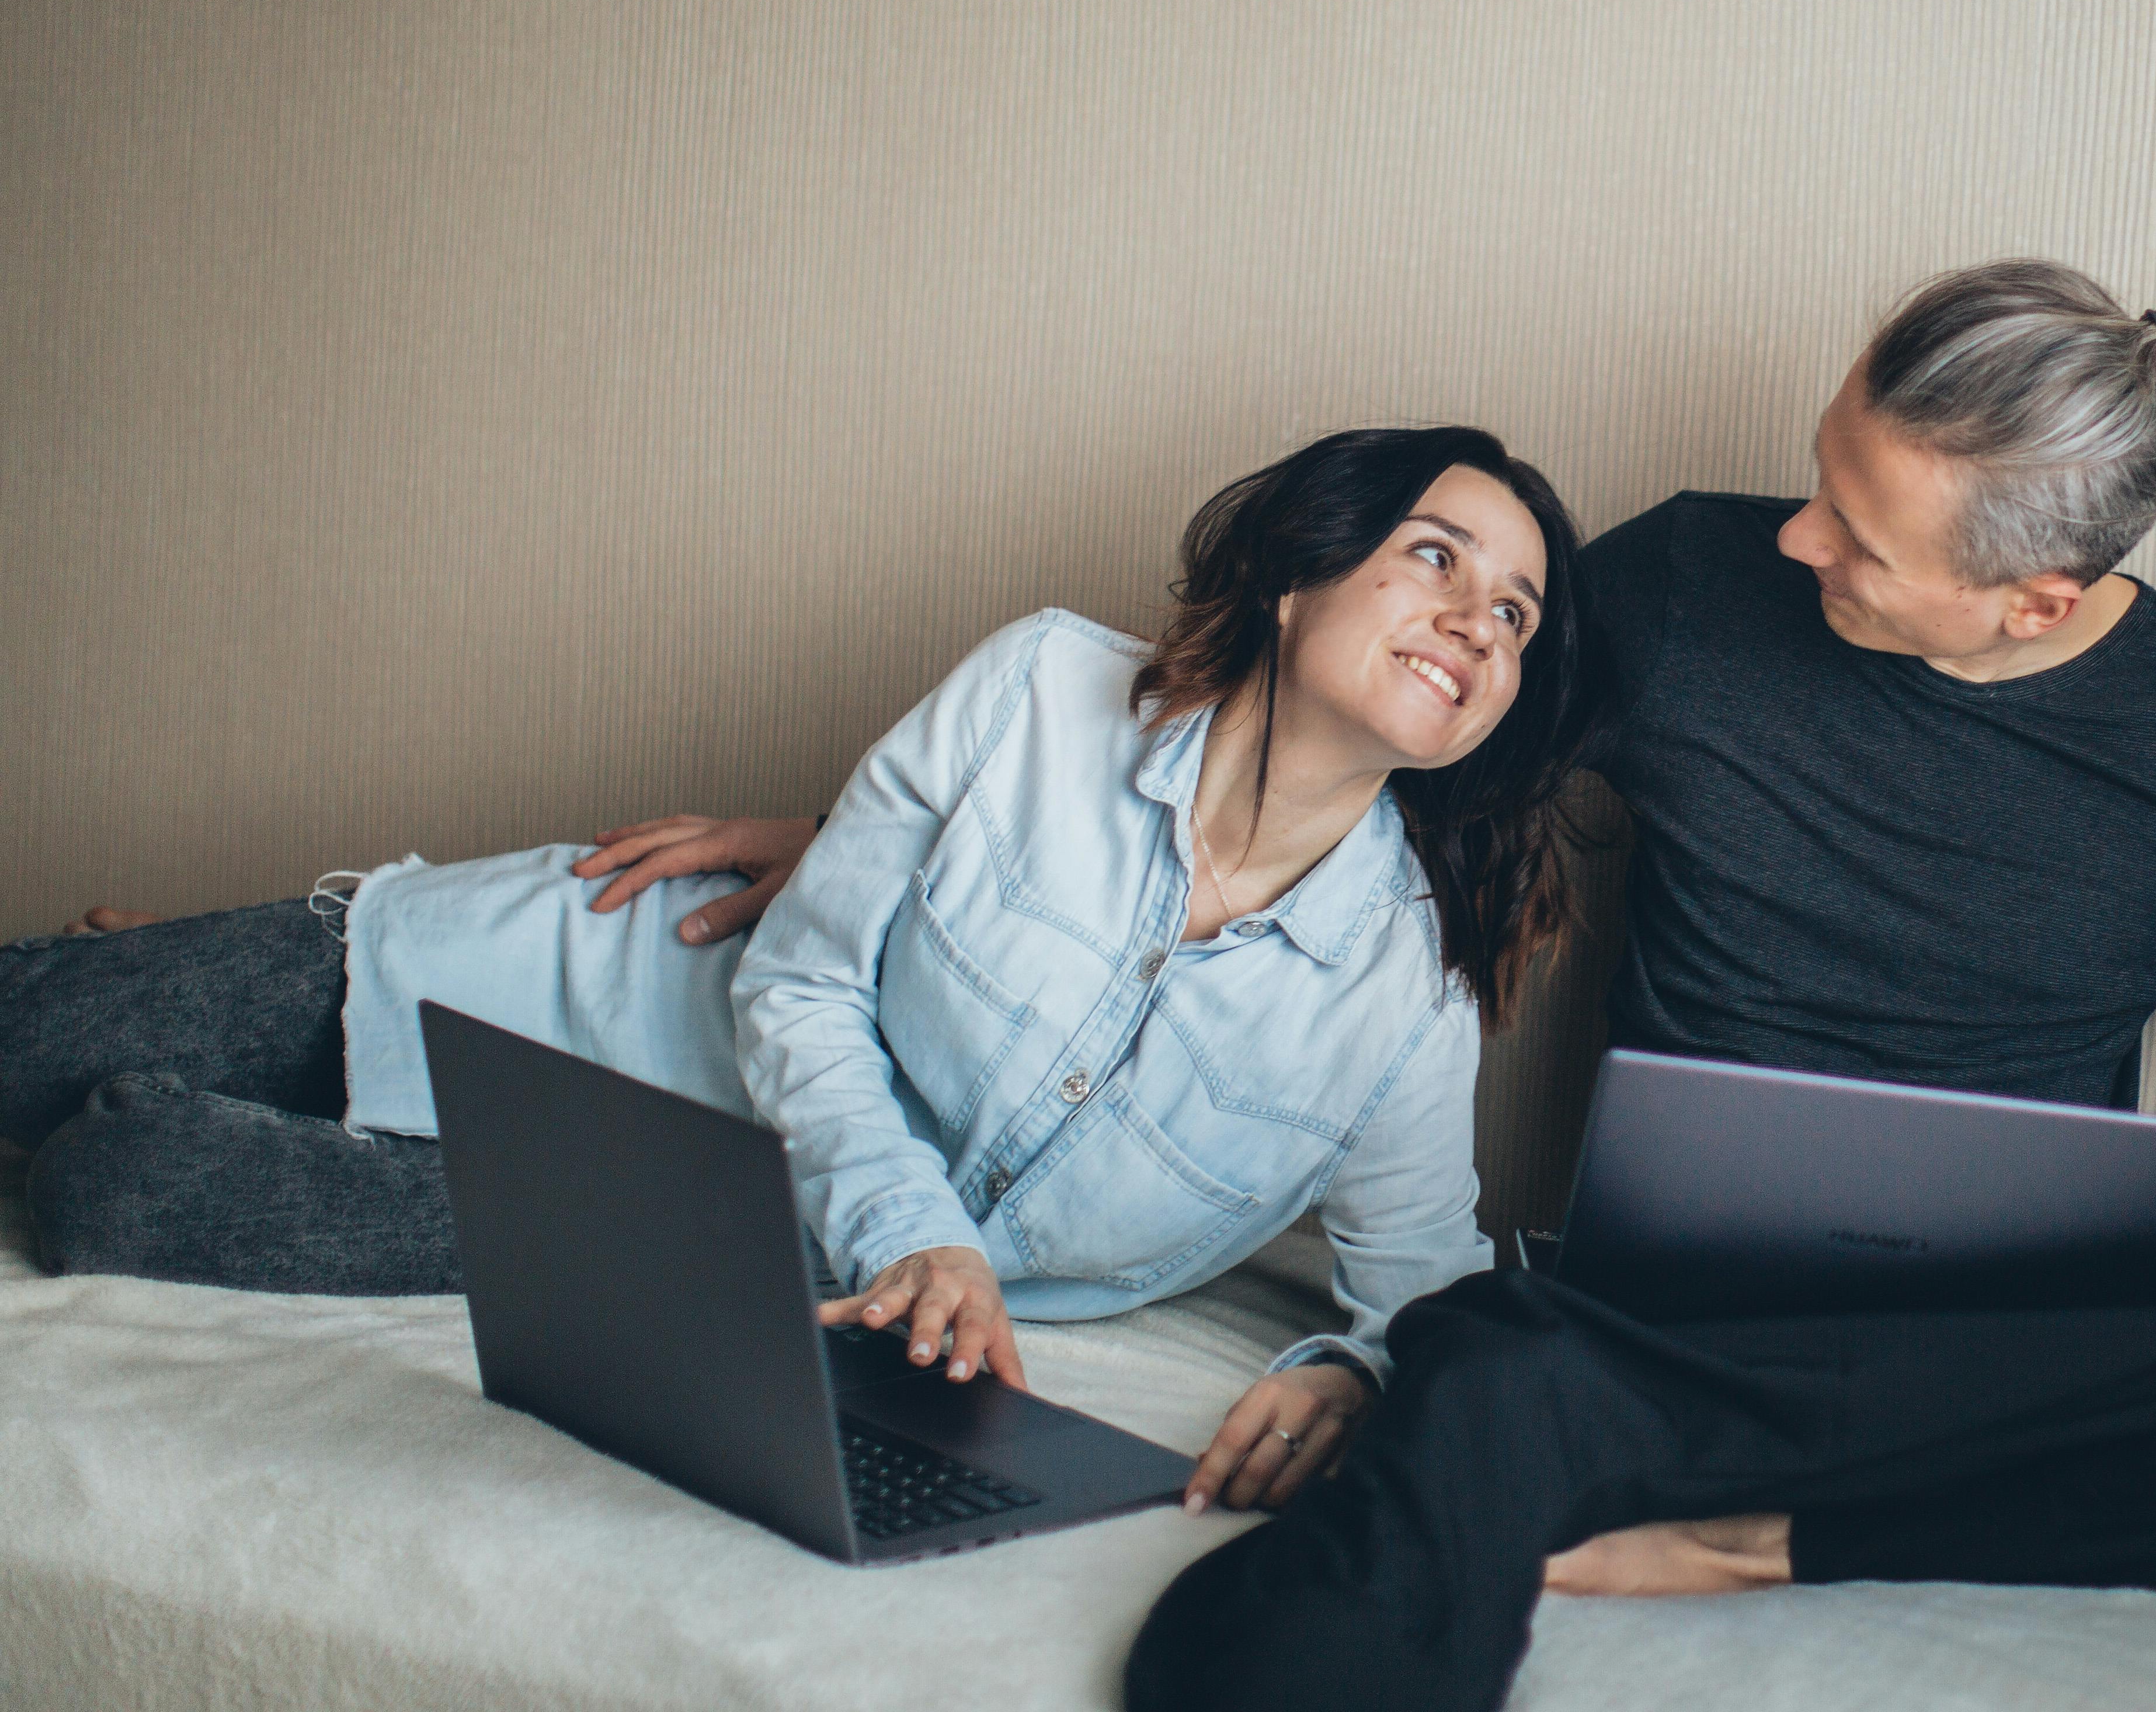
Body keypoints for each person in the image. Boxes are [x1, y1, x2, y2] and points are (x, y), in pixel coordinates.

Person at [1119, 258, 2156, 1711]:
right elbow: (1400, 795)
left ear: (2034, 599)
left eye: (1865, 540)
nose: (1803, 535)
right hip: (1660, 1349)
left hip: (2012, 1376)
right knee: (1410, 1468)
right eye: (1823, 476)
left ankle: (1784, 1546)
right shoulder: (1692, 588)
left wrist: (2116, 1204)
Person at [1, 425, 1594, 1517]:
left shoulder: (1402, 997)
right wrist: (927, 1238)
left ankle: (147, 1061)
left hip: (676, 1225)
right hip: (588, 986)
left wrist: (1354, 1376)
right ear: (1302, 570)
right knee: (34, 1025)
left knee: (111, 1195)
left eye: (1514, 613)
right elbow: (803, 985)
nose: (1476, 621)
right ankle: (167, 986)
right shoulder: (1040, 691)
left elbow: (1428, 1294)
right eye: (1435, 557)